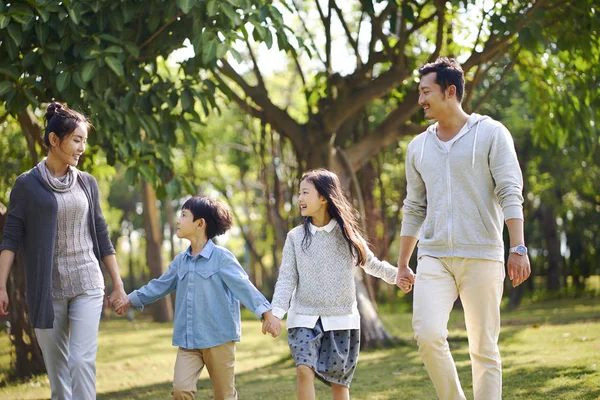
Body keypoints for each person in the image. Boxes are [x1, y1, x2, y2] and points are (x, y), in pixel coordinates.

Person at [395, 57, 531, 400]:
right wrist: (402, 263)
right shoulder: (418, 147)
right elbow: (414, 207)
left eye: (426, 92)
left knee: (484, 348)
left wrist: (517, 247)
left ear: (450, 91)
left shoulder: (491, 133)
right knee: (426, 334)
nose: (421, 99)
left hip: (482, 254)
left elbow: (509, 191)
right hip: (434, 256)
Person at [0, 102, 129, 400]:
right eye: (76, 140)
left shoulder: (87, 183)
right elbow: (11, 239)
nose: (82, 147)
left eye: (84, 140)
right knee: (59, 377)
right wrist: (2, 287)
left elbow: (101, 235)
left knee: (81, 361)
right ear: (54, 140)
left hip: (87, 283)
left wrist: (118, 284)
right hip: (47, 290)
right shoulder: (26, 185)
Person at [112, 195, 280, 400]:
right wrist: (130, 299)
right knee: (181, 390)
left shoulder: (222, 258)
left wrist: (267, 314)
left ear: (200, 223)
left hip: (219, 339)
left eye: (184, 215)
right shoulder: (180, 261)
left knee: (224, 395)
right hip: (189, 341)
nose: (178, 220)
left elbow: (244, 287)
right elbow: (160, 286)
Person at [266, 169, 400, 400]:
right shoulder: (295, 237)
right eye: (299, 193)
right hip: (304, 318)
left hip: (341, 319)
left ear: (324, 198)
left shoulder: (347, 235)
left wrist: (399, 276)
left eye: (305, 193)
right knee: (303, 370)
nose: (299, 198)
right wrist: (276, 313)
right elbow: (287, 278)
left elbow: (373, 265)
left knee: (339, 382)